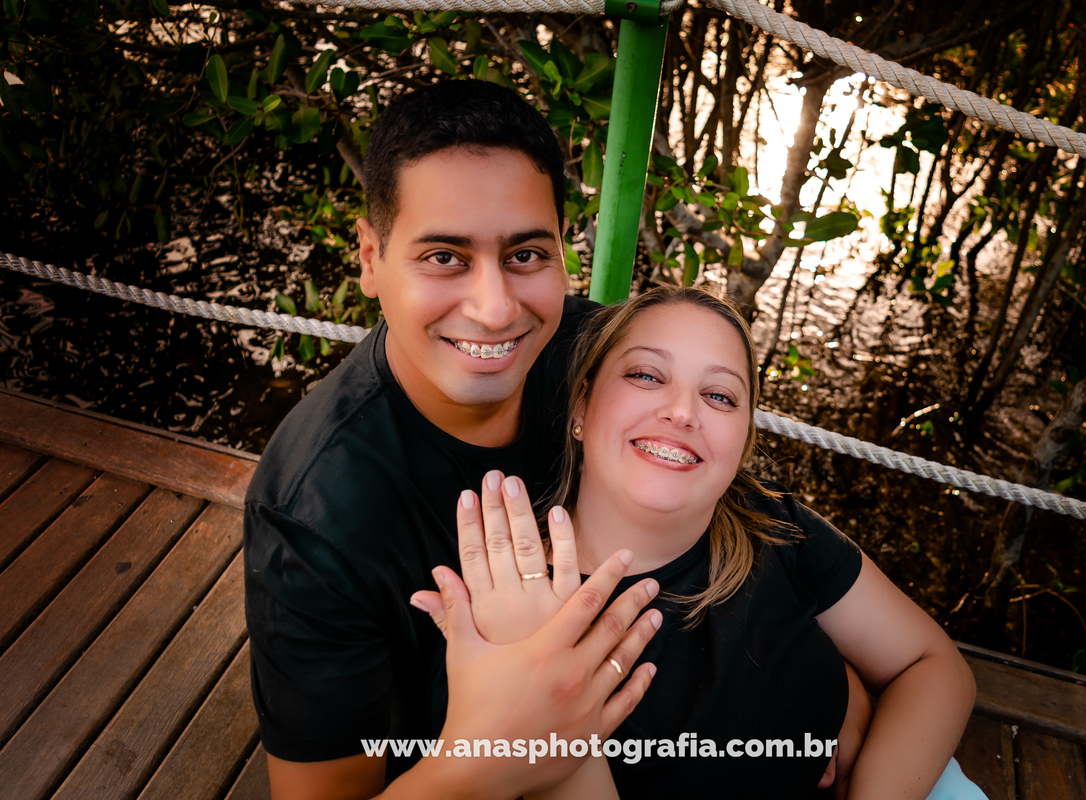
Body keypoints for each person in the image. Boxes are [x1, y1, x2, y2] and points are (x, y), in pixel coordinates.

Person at [242, 79, 662, 800]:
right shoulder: (314, 517)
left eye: (527, 255)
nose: (496, 309)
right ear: (370, 259)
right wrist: (490, 758)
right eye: (445, 257)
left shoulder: (592, 358)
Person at [414, 286, 985, 799]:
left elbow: (932, 664)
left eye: (719, 396)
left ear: (742, 439)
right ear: (581, 406)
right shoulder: (508, 611)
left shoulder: (773, 524)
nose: (683, 412)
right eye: (645, 375)